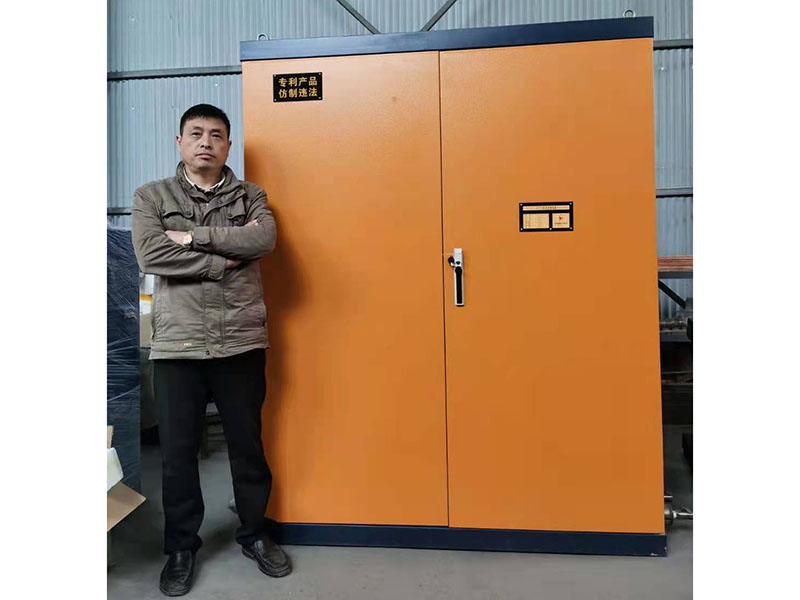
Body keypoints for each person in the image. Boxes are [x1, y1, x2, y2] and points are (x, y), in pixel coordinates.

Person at [131, 103, 291, 596]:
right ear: (179, 142)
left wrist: (192, 237)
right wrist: (223, 260)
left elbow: (262, 239)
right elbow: (150, 253)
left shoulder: (251, 196)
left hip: (240, 341)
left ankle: (255, 533)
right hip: (177, 346)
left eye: (216, 135)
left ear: (228, 145)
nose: (206, 142)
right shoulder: (151, 195)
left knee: (247, 447)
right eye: (196, 133)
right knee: (178, 455)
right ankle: (181, 547)